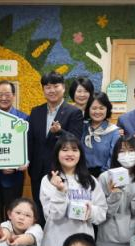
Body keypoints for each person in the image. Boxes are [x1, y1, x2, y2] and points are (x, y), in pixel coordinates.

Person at [40, 133, 106, 246]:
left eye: (74, 150)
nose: (70, 154)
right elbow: (52, 215)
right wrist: (60, 191)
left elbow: (102, 212)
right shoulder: (48, 180)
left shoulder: (90, 180)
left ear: (80, 154)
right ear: (57, 154)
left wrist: (90, 212)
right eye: (64, 150)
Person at [28, 71, 84, 221]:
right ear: (43, 90)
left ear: (63, 88)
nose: (51, 90)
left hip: (61, 170)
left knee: (60, 208)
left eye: (55, 86)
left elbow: (76, 141)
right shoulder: (36, 111)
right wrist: (27, 162)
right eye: (47, 87)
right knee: (39, 209)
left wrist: (60, 132)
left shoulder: (74, 112)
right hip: (37, 170)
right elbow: (30, 140)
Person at [0, 80, 29, 216]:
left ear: (13, 95)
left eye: (7, 94)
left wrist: (24, 161)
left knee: (12, 211)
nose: (3, 98)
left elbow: (28, 145)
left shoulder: (24, 119)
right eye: (0, 94)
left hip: (15, 176)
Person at [82, 92, 122, 177]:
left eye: (101, 108)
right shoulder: (82, 127)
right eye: (94, 108)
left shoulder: (114, 132)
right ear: (88, 109)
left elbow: (113, 158)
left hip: (104, 176)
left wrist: (102, 177)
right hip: (81, 175)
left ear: (107, 109)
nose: (97, 111)